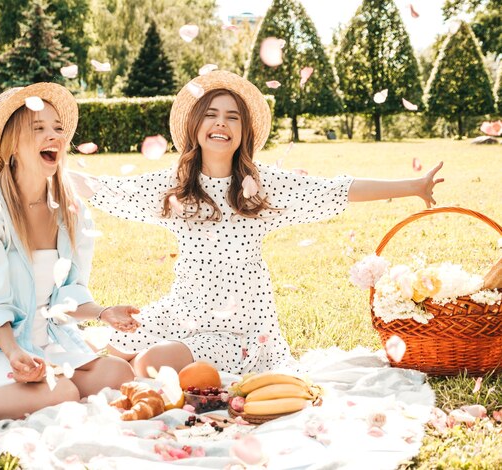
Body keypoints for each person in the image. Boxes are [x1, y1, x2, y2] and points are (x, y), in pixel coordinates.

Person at [70, 70, 444, 378]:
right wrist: (33, 166)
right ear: (196, 126)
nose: (221, 123)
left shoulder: (262, 187)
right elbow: (107, 190)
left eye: (232, 116)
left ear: (244, 130)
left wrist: (413, 185)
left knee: (149, 365)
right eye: (211, 114)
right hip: (180, 312)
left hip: (238, 328)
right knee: (95, 353)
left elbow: (335, 190)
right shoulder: (177, 185)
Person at [0, 83, 139, 420]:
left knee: (119, 375)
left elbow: (66, 297)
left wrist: (103, 312)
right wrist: (13, 351)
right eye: (39, 128)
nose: (55, 137)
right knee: (62, 391)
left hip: (44, 341)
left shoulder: (70, 211)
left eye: (58, 129)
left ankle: (17, 397)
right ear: (12, 145)